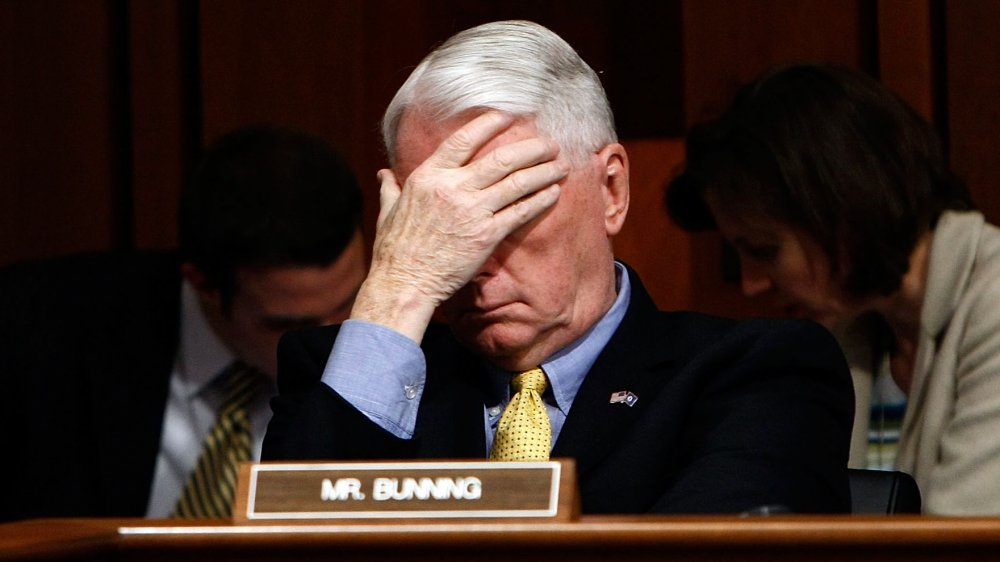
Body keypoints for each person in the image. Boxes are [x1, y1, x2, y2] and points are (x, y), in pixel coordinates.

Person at [262, 20, 855, 515]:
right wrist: (399, 286)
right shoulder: (338, 378)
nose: (472, 262)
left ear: (612, 190)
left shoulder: (759, 374)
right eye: (440, 221)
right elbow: (291, 555)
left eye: (504, 208)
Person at [666, 62, 1000, 514]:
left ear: (844, 212)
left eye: (764, 249)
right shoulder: (853, 336)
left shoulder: (992, 297)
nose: (750, 285)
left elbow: (963, 540)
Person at [0, 124, 367, 521]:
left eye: (351, 302)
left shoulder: (402, 355)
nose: (334, 341)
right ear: (202, 284)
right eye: (292, 325)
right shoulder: (36, 335)